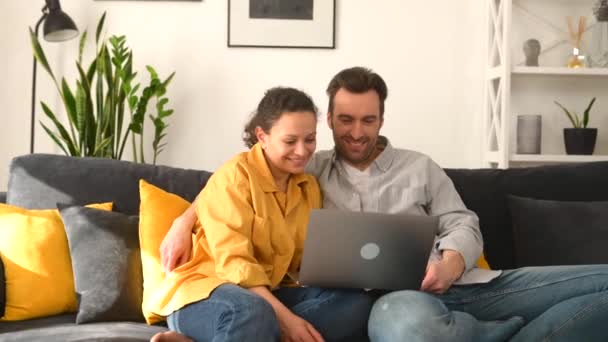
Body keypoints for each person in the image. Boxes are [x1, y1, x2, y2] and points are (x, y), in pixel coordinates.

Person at [162, 68, 608, 341]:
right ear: (331, 120)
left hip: (464, 284)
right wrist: (186, 217)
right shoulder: (307, 169)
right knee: (409, 330)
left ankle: (508, 325)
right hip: (398, 303)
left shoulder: (420, 167)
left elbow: (463, 222)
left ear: (382, 118)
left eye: (368, 120)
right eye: (345, 120)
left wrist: (451, 262)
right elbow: (239, 178)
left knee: (596, 283)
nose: (357, 132)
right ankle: (513, 333)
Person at [150, 87, 375, 342]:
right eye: (290, 141)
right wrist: (288, 320)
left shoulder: (308, 187)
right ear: (262, 136)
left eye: (310, 139)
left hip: (268, 292)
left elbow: (303, 264)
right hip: (204, 291)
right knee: (253, 312)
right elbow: (235, 266)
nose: (302, 151)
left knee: (355, 304)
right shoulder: (235, 176)